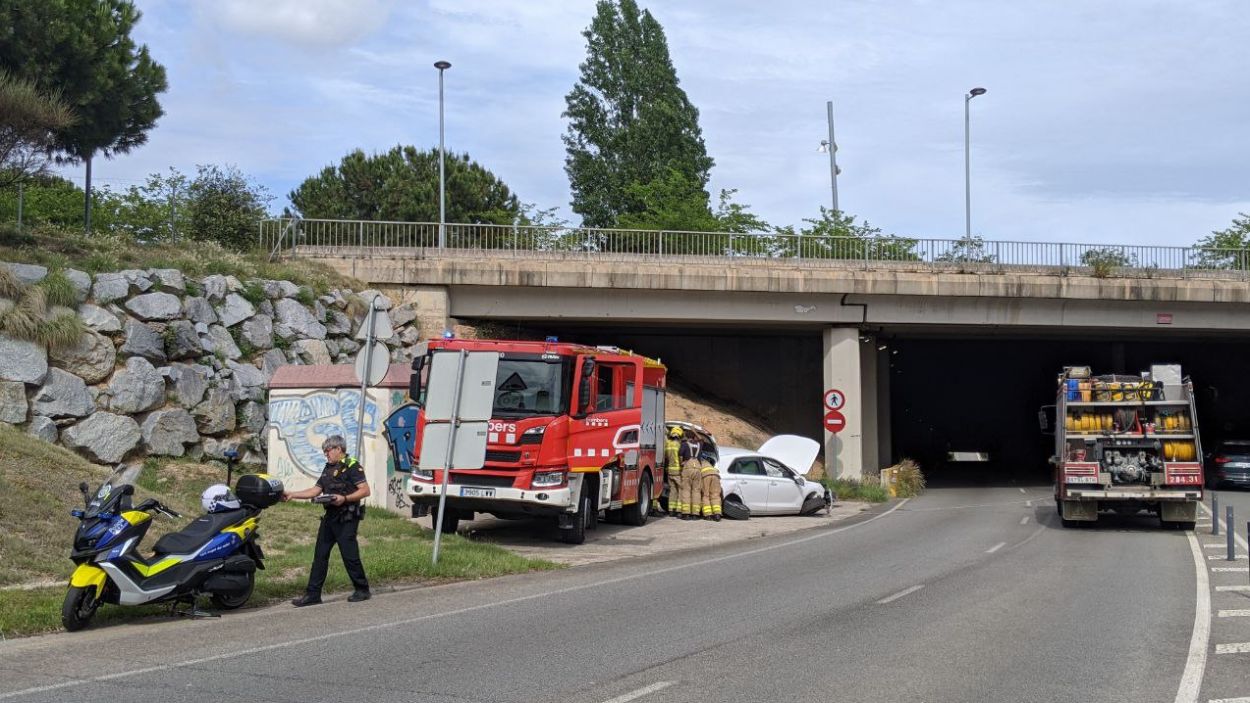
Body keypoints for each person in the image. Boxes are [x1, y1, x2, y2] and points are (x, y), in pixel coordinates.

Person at [285, 435, 372, 606]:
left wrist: (344, 498)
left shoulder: (352, 466)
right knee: (320, 556)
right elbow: (315, 490)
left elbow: (365, 490)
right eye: (324, 451)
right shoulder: (328, 468)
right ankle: (313, 595)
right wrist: (292, 494)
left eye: (328, 450)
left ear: (338, 449)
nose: (326, 454)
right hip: (330, 517)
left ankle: (362, 589)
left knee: (350, 556)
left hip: (347, 518)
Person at [678, 430, 704, 521]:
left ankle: (686, 513)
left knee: (686, 490)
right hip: (697, 467)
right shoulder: (699, 444)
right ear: (694, 437)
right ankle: (695, 514)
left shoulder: (685, 444)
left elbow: (680, 455)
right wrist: (694, 431)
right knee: (696, 491)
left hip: (688, 467)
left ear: (686, 436)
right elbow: (701, 439)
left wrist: (682, 462)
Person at [663, 425, 684, 516]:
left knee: (673, 491)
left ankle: (671, 510)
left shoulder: (668, 444)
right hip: (678, 471)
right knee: (681, 490)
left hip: (669, 471)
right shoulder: (679, 445)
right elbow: (680, 458)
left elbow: (666, 458)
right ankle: (679, 510)